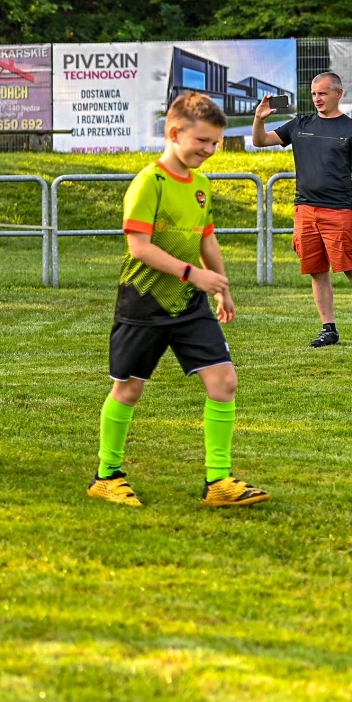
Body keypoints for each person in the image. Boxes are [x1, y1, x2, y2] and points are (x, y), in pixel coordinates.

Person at [87, 92, 269, 509]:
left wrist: (221, 287)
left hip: (189, 303)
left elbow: (207, 239)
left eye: (215, 142)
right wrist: (194, 274)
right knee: (128, 389)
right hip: (144, 302)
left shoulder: (201, 186)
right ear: (174, 133)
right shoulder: (148, 182)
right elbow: (139, 247)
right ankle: (106, 476)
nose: (209, 150)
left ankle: (218, 481)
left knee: (224, 382)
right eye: (202, 141)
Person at [251, 73, 352, 348]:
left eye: (323, 93)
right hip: (305, 211)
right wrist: (259, 118)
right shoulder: (300, 124)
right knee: (317, 271)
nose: (317, 99)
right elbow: (260, 141)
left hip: (339, 212)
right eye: (314, 94)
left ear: (338, 94)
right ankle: (329, 329)